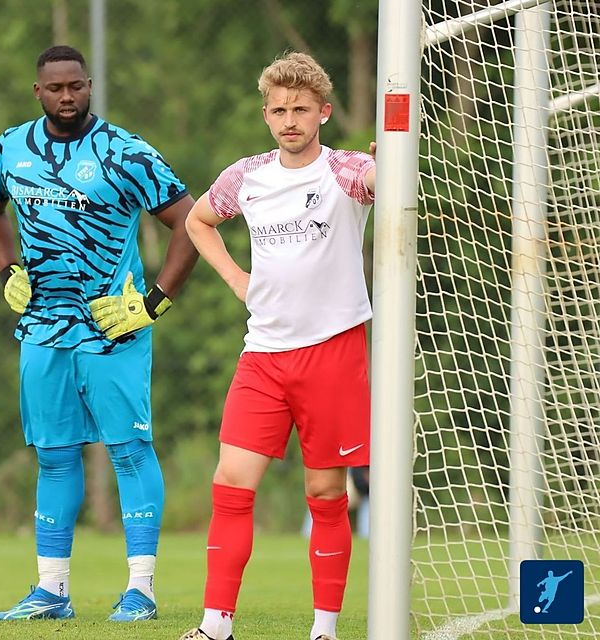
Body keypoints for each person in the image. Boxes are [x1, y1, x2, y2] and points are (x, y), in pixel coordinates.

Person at [0, 44, 198, 623]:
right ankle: (52, 591)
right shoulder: (9, 149)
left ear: (89, 86)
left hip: (110, 330)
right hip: (43, 329)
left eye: (76, 86)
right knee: (53, 456)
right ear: (38, 91)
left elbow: (190, 222)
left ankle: (141, 591)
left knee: (129, 451)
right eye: (55, 88)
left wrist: (154, 303)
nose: (67, 97)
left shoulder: (125, 151)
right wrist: (6, 271)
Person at [177, 51, 376, 640]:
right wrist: (238, 279)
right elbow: (196, 221)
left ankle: (324, 629)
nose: (291, 119)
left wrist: (387, 162)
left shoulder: (343, 170)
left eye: (302, 109)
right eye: (280, 110)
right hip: (262, 355)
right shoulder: (247, 176)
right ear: (267, 115)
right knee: (231, 482)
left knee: (325, 493)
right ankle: (215, 624)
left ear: (324, 112)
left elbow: (373, 180)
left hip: (333, 352)